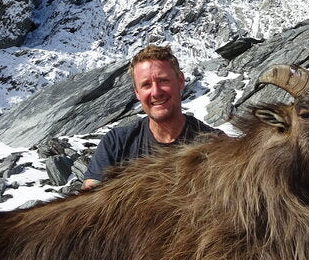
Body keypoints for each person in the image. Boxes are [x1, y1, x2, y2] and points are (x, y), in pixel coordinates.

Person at [81, 45, 219, 189]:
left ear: (180, 81)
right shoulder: (116, 143)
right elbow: (90, 198)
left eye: (163, 80)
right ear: (137, 92)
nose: (156, 92)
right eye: (146, 85)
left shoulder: (215, 144)